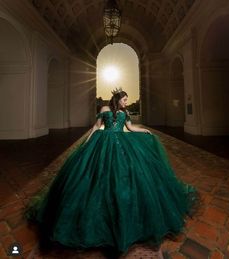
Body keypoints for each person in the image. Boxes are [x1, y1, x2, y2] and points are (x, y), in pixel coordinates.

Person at [25, 88, 199, 258]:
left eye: (127, 100)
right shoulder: (105, 109)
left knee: (125, 176)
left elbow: (130, 128)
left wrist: (143, 130)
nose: (126, 102)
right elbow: (96, 127)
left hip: (121, 143)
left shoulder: (125, 112)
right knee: (93, 176)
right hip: (102, 143)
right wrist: (86, 142)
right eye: (124, 99)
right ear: (118, 99)